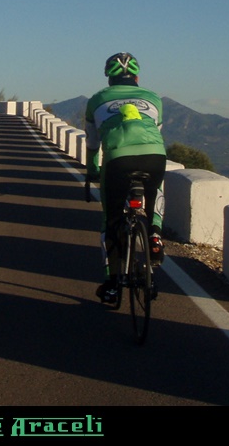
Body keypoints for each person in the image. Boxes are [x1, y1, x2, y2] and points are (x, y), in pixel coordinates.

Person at [85, 52, 167, 304]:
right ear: (137, 77)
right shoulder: (154, 98)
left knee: (111, 220)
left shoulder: (96, 100)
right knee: (156, 189)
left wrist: (92, 170)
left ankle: (112, 283)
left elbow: (92, 143)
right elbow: (156, 131)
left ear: (108, 78)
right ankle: (155, 234)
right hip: (155, 156)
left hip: (118, 160)